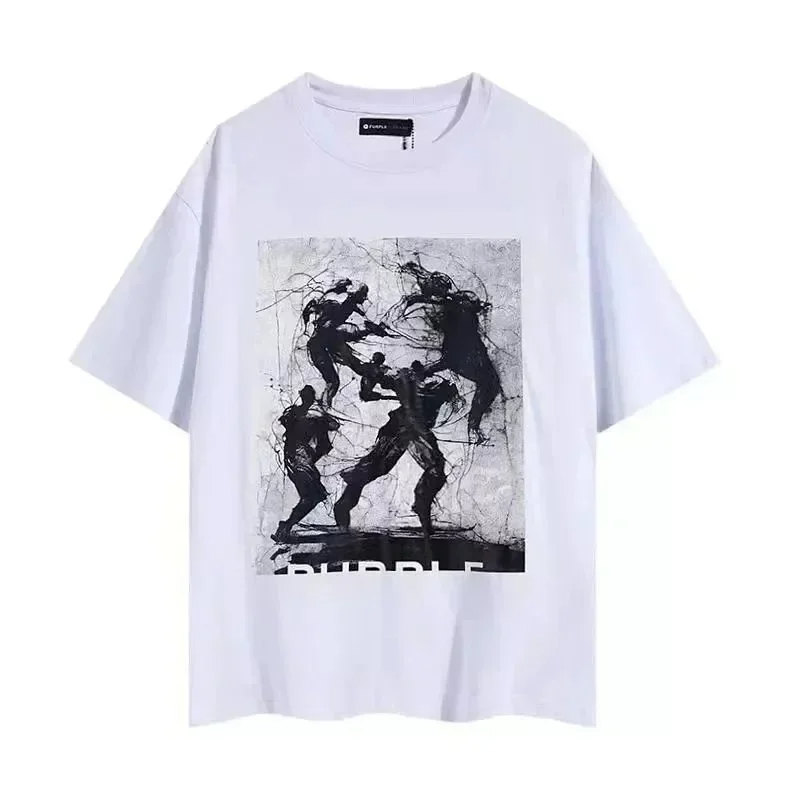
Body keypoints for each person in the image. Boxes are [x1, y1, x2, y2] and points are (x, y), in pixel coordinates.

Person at [333, 360, 458, 537]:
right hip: (399, 428)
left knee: (436, 469)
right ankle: (343, 506)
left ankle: (422, 505)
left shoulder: (439, 384)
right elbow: (373, 373)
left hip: (417, 431)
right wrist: (367, 392)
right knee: (373, 469)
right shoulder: (405, 379)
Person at [398, 260, 501, 442]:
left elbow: (438, 288)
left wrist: (416, 272)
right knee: (488, 383)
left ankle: (473, 427)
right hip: (463, 353)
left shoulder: (454, 301)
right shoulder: (448, 305)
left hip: (469, 352)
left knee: (489, 383)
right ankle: (473, 428)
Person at [302, 282, 389, 406]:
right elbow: (347, 329)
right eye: (363, 295)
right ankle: (324, 408)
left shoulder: (343, 308)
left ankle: (324, 406)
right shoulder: (336, 308)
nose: (365, 299)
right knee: (333, 382)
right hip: (320, 345)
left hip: (327, 341)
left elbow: (349, 329)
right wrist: (370, 329)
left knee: (335, 380)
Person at [273, 385, 340, 542]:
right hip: (298, 460)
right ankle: (285, 527)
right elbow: (331, 430)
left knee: (312, 497)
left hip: (297, 459)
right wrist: (322, 419)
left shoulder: (297, 415)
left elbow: (329, 432)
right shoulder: (309, 418)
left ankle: (286, 527)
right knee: (311, 497)